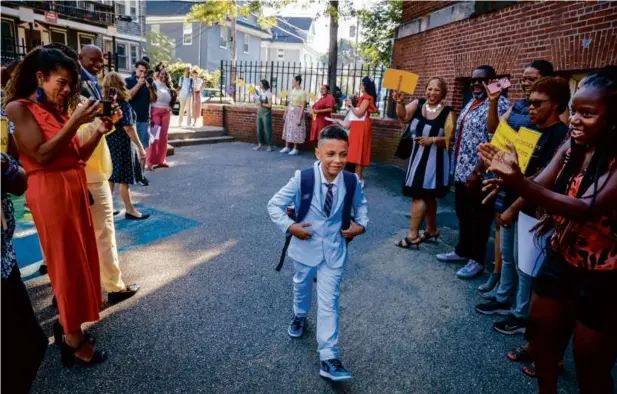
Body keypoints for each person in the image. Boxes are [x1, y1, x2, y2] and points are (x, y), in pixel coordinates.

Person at [478, 67, 617, 394]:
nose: (576, 120)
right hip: (561, 257)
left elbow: (587, 206)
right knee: (542, 343)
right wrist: (509, 178)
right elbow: (541, 183)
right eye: (576, 111)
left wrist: (520, 183)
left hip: (604, 275)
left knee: (591, 368)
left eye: (588, 113)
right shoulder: (573, 146)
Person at [5, 47, 111, 366]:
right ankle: (72, 341)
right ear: (40, 77)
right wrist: (75, 120)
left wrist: (98, 130)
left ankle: (70, 324)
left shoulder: (58, 110)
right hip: (49, 191)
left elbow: (76, 155)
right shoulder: (17, 108)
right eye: (61, 83)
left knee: (80, 260)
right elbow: (40, 155)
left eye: (71, 85)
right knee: (65, 264)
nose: (67, 90)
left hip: (73, 186)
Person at [267, 125, 368, 382]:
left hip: (334, 251)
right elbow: (274, 204)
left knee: (329, 301)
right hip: (305, 248)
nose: (337, 160)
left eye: (343, 154)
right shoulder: (303, 178)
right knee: (301, 285)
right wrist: (291, 227)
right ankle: (300, 315)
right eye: (331, 154)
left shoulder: (351, 180)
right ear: (318, 153)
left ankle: (329, 357)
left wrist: (361, 225)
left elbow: (361, 206)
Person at [476, 76, 569, 339]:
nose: (530, 108)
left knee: (525, 265)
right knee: (508, 256)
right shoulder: (530, 130)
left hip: (532, 211)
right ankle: (504, 298)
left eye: (537, 103)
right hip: (511, 200)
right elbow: (516, 170)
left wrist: (513, 208)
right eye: (529, 102)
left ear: (556, 105)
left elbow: (540, 182)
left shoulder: (561, 137)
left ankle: (521, 315)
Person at [478, 59, 557, 294]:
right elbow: (494, 129)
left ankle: (514, 296)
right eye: (523, 78)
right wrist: (493, 103)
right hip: (508, 174)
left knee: (520, 242)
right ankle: (499, 277)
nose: (525, 82)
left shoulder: (552, 117)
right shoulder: (519, 105)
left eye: (531, 78)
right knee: (502, 227)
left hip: (529, 181)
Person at [76, 44, 141, 304]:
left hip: (92, 168)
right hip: (89, 171)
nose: (97, 65)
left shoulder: (92, 85)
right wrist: (103, 126)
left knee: (87, 233)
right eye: (92, 60)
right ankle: (114, 286)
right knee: (103, 232)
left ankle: (77, 288)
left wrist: (107, 122)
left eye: (100, 61)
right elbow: (79, 133)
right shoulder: (78, 89)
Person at [436, 65, 510, 279]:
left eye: (482, 80)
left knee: (480, 217)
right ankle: (462, 251)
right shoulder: (472, 102)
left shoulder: (500, 104)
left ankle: (477, 260)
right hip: (461, 169)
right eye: (474, 80)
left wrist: (477, 171)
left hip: (480, 173)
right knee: (463, 213)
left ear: (493, 81)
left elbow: (495, 138)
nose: (477, 84)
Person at [1, 136, 48, 393]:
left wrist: (5, 164)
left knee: (27, 346)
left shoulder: (0, 122)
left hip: (4, 261)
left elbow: (19, 182)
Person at [392, 77, 456, 248]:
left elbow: (450, 139)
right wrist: (399, 102)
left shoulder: (448, 112)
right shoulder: (418, 104)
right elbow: (403, 116)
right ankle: (432, 229)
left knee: (419, 195)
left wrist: (433, 139)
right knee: (429, 196)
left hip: (435, 161)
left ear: (443, 93)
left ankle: (412, 235)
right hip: (417, 157)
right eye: (429, 89)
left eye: (436, 90)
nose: (432, 93)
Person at [104, 72, 150, 221]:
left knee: (110, 177)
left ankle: (107, 208)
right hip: (122, 143)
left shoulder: (107, 103)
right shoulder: (123, 104)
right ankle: (130, 210)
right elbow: (128, 127)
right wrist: (141, 148)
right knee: (124, 180)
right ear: (120, 85)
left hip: (109, 142)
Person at [125, 59, 156, 186]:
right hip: (130, 120)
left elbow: (154, 99)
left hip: (143, 120)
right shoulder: (128, 81)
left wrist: (150, 88)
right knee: (129, 148)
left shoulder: (149, 83)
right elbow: (128, 96)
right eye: (140, 71)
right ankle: (129, 174)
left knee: (143, 148)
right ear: (135, 70)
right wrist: (138, 84)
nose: (142, 74)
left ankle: (141, 175)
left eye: (144, 71)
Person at [346, 76, 378, 186]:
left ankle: (359, 178)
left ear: (365, 86)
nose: (360, 86)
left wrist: (351, 106)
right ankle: (356, 176)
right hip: (359, 125)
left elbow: (359, 113)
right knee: (356, 151)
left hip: (362, 126)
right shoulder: (363, 98)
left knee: (359, 151)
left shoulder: (367, 98)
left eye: (361, 84)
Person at [148, 67, 174, 169]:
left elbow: (171, 100)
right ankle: (150, 161)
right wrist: (149, 116)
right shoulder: (154, 85)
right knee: (154, 137)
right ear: (157, 75)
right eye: (161, 74)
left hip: (166, 113)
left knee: (163, 138)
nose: (163, 76)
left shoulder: (168, 87)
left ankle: (161, 160)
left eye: (165, 74)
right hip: (155, 112)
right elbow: (150, 100)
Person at [281, 75, 307, 155]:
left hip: (297, 111)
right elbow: (290, 102)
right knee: (288, 128)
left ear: (297, 82)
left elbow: (303, 106)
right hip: (290, 111)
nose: (292, 82)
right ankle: (287, 146)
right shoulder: (293, 90)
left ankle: (295, 148)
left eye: (293, 81)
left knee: (296, 129)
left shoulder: (302, 92)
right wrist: (286, 112)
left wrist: (299, 117)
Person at [254, 79, 273, 152]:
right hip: (260, 113)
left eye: (260, 84)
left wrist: (261, 104)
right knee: (259, 129)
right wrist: (257, 103)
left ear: (264, 85)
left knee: (268, 130)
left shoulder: (269, 93)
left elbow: (270, 105)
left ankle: (269, 145)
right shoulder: (261, 93)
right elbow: (258, 102)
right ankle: (260, 144)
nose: (259, 85)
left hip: (266, 113)